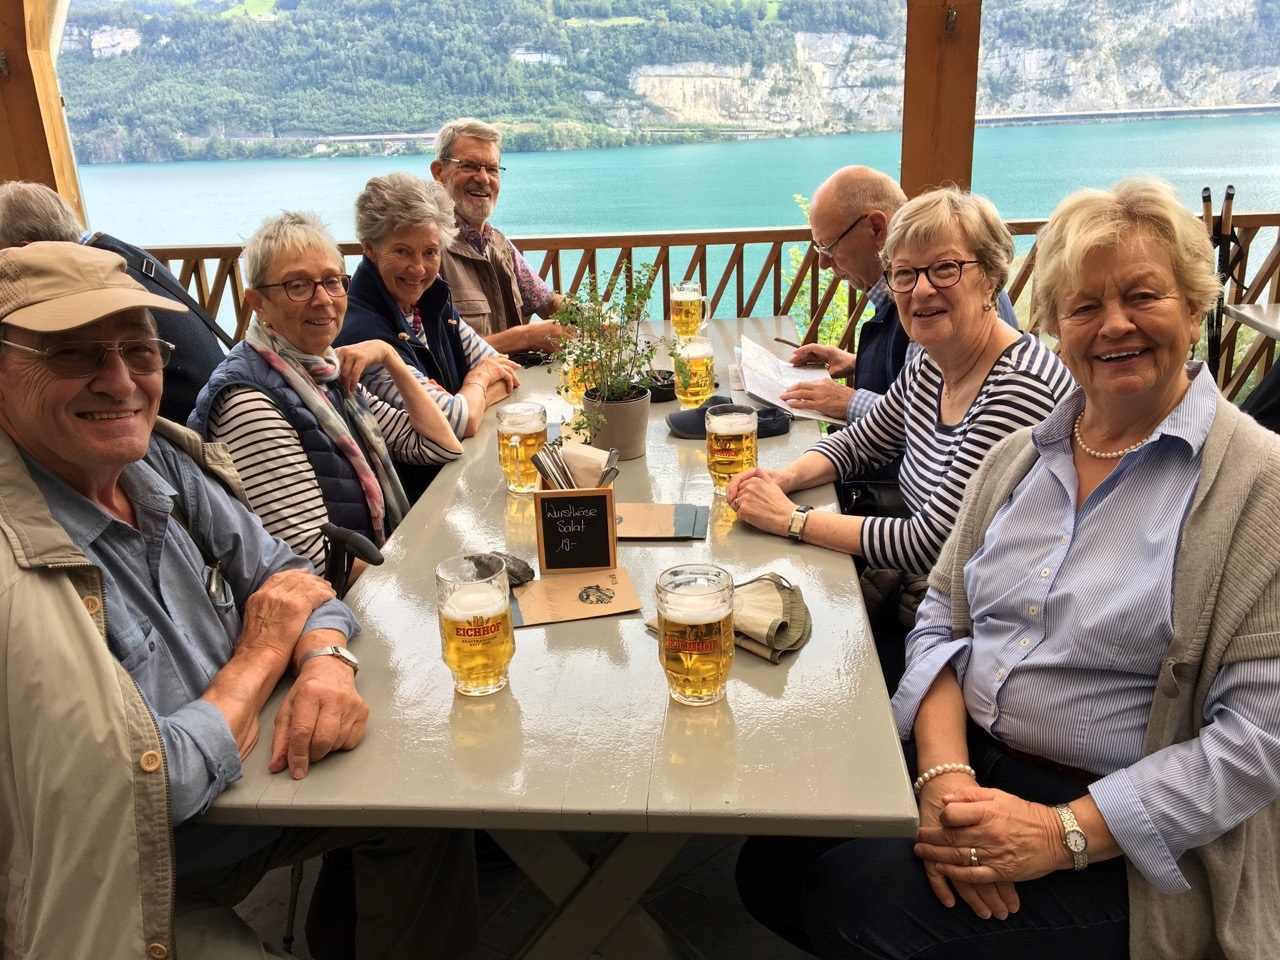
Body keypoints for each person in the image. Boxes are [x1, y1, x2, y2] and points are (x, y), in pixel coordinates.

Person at [740, 177, 1280, 960]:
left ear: (1195, 307)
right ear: (1056, 322)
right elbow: (941, 615)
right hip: (973, 755)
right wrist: (944, 774)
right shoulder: (1023, 458)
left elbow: (1257, 742)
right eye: (1084, 306)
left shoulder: (1257, 486)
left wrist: (1059, 835)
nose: (1114, 324)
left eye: (1142, 296)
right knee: (769, 866)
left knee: (862, 906)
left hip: (1127, 828)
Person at [0, 241, 477, 958]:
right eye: (72, 354)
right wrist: (258, 657)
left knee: (428, 807)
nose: (120, 380)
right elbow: (145, 789)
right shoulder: (18, 561)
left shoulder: (157, 459)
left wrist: (326, 661)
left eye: (140, 349)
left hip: (257, 789)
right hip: (128, 880)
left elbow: (293, 575)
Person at [726, 187, 1071, 576]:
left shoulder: (1018, 388)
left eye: (945, 268)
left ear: (990, 279)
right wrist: (783, 477)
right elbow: (860, 442)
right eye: (904, 273)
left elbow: (932, 544)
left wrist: (790, 518)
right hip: (924, 583)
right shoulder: (932, 362)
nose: (921, 290)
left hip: (975, 603)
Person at [189, 211, 463, 576]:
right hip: (340, 601)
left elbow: (441, 446)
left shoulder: (322, 371)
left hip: (375, 577)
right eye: (298, 286)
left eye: (332, 281)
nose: (323, 299)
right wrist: (423, 575)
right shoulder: (249, 403)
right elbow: (314, 563)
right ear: (257, 302)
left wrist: (389, 356)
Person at [779, 166, 1020, 426]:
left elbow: (928, 419)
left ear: (876, 228)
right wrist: (859, 363)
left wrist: (849, 401)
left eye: (829, 248)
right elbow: (923, 381)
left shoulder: (935, 311)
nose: (823, 263)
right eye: (904, 272)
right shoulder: (928, 300)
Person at [336, 172, 521, 498]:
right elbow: (457, 424)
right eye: (402, 251)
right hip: (420, 502)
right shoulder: (362, 334)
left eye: (430, 252)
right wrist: (477, 381)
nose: (419, 268)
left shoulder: (430, 299)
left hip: (458, 480)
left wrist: (464, 399)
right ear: (370, 249)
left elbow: (503, 369)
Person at [0, 178, 229, 424]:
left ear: (26, 250)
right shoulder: (126, 256)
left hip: (184, 422)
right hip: (215, 408)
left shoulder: (89, 286)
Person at [431, 117, 565, 352]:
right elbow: (436, 352)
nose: (483, 178)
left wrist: (598, 320)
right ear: (439, 172)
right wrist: (525, 337)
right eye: (469, 166)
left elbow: (548, 303)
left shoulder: (497, 243)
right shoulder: (426, 248)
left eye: (492, 169)